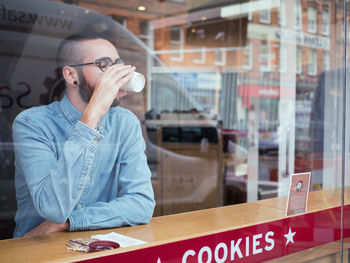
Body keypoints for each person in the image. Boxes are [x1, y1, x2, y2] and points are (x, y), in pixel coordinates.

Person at [12, 32, 155, 238]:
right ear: (71, 76)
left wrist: (70, 223)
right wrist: (92, 116)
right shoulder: (32, 124)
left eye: (117, 64)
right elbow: (53, 209)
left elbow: (141, 204)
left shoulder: (125, 122)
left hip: (97, 247)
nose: (115, 73)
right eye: (104, 64)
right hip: (37, 252)